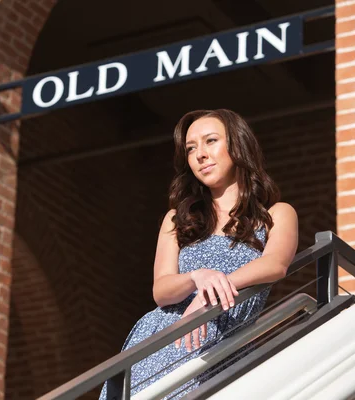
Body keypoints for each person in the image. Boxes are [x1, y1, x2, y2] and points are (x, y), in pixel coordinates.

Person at [99, 109, 298, 399]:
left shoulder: (277, 214)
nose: (200, 155)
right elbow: (162, 290)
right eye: (191, 148)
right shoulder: (176, 219)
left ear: (238, 145)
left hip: (226, 343)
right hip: (166, 338)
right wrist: (196, 278)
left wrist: (212, 291)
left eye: (211, 141)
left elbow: (275, 265)